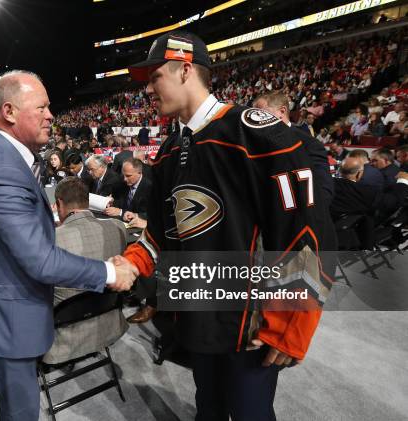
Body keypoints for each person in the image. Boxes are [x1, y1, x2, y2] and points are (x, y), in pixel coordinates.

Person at [123, 31, 331, 421]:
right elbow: (161, 233)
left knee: (251, 413)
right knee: (209, 408)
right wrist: (133, 260)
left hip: (250, 323)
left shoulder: (257, 133)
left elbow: (306, 228)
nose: (149, 89)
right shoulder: (168, 151)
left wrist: (291, 323)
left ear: (185, 70)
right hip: (198, 312)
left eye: (154, 78)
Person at [0, 70, 137, 421]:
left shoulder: (2, 156)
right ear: (9, 111)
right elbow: (41, 261)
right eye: (42, 107)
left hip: (6, 304)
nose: (51, 115)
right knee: (20, 412)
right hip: (5, 317)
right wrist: (110, 271)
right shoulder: (0, 168)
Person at [44, 176, 129, 364]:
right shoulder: (118, 227)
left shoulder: (49, 240)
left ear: (59, 203)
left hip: (64, 338)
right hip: (108, 323)